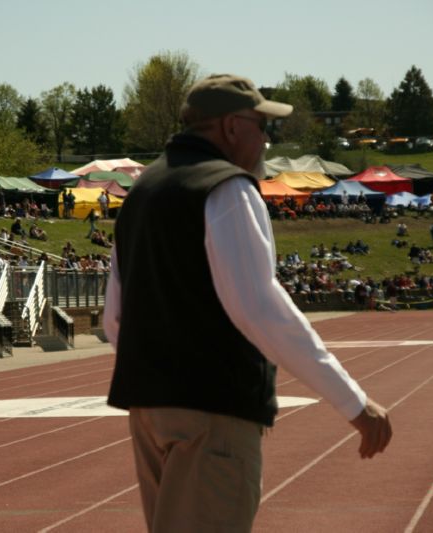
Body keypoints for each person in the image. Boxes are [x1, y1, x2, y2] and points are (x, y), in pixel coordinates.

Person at [103, 74, 391, 532]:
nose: (266, 141)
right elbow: (260, 310)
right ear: (231, 127)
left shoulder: (141, 192)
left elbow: (115, 318)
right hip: (213, 410)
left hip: (149, 409)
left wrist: (161, 380)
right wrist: (353, 402)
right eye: (263, 126)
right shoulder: (227, 189)